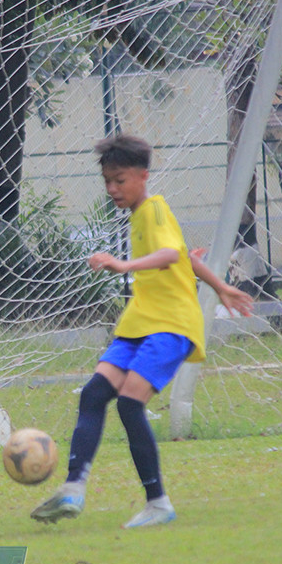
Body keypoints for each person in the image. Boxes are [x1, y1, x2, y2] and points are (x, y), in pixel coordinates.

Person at [31, 133, 254, 528]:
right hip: (141, 321)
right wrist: (220, 287)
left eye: (120, 180)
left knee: (130, 403)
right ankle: (73, 488)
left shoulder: (153, 209)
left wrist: (122, 265)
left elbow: (169, 256)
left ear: (142, 176)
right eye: (107, 182)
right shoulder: (140, 215)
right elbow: (184, 255)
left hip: (170, 323)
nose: (113, 189)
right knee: (95, 393)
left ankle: (158, 503)